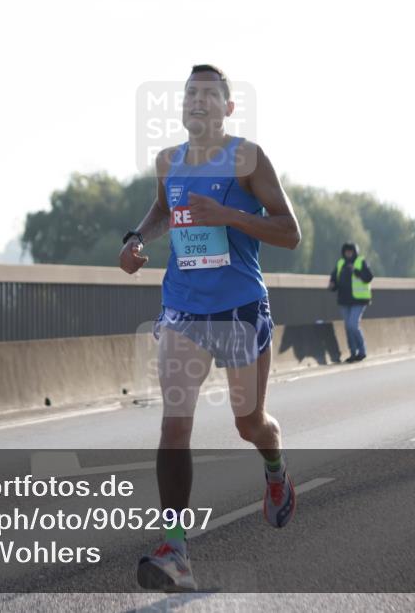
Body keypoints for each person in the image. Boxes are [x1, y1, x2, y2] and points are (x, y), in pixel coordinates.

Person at [119, 64, 302, 591]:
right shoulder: (168, 161)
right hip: (183, 309)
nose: (197, 102)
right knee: (175, 425)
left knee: (250, 424)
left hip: (241, 309)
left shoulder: (248, 158)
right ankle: (174, 549)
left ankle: (274, 466)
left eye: (209, 95)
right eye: (189, 95)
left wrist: (226, 214)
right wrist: (138, 240)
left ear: (227, 108)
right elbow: (162, 208)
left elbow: (289, 232)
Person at [328, 242, 374, 363]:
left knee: (353, 325)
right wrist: (332, 285)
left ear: (355, 252)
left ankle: (362, 351)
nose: (348, 254)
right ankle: (353, 353)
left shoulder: (361, 262)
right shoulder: (340, 263)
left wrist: (357, 271)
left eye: (350, 251)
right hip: (344, 301)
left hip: (359, 300)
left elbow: (369, 277)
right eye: (346, 252)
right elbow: (334, 279)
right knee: (348, 327)